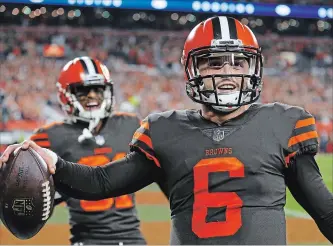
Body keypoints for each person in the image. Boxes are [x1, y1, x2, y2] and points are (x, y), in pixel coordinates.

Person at [1, 16, 332, 244]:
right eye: (214, 62)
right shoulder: (165, 130)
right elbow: (102, 183)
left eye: (238, 61)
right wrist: (55, 164)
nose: (228, 71)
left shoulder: (284, 123)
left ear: (253, 67)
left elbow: (324, 210)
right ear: (193, 69)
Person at [29, 56, 148, 245]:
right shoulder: (50, 136)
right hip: (88, 240)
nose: (92, 95)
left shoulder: (131, 124)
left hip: (132, 239)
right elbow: (21, 178)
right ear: (65, 94)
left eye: (98, 89)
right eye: (83, 90)